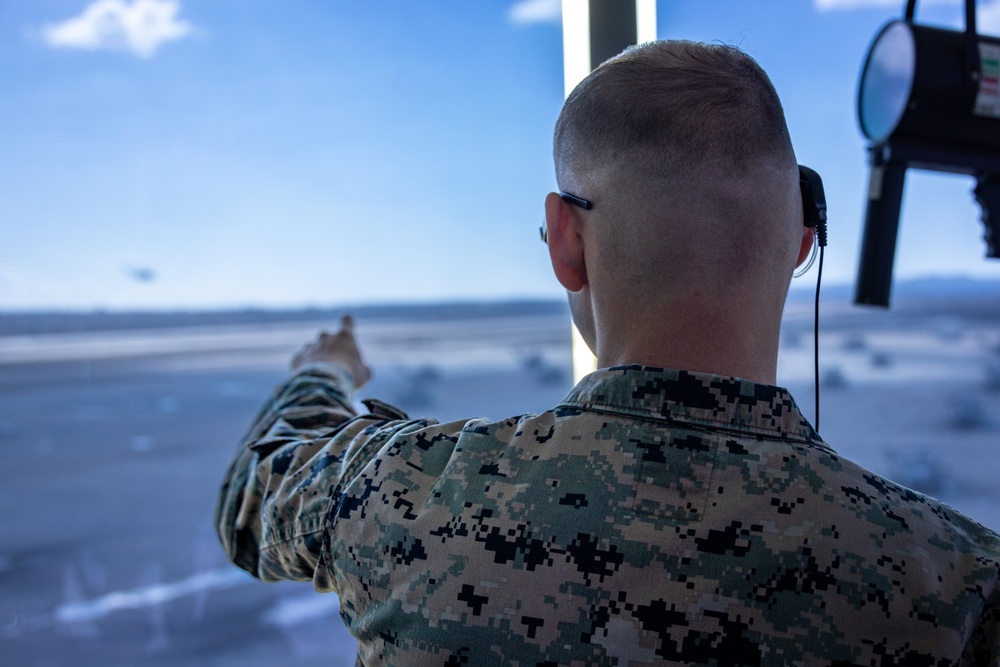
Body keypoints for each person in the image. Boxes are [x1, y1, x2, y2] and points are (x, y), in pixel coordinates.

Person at [216, 41, 1000, 665]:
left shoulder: (408, 497)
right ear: (801, 242)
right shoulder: (960, 587)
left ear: (567, 241)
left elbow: (259, 489)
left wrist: (325, 370)